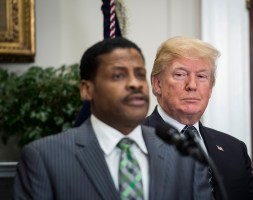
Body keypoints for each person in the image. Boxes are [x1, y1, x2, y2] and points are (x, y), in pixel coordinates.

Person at [13, 37, 214, 200]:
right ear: (87, 90)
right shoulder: (44, 158)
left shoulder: (184, 154)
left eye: (139, 74)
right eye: (118, 76)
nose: (135, 84)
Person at [144, 36, 253, 200]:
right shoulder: (131, 141)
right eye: (180, 74)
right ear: (157, 84)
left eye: (201, 76)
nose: (192, 85)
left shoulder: (235, 150)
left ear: (211, 88)